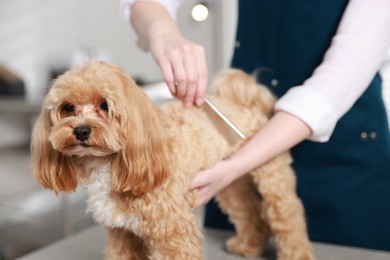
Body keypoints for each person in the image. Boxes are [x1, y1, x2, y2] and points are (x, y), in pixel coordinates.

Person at [121, 0, 390, 251]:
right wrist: (163, 32)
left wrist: (234, 166)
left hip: (345, 164)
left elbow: (343, 73)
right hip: (234, 144)